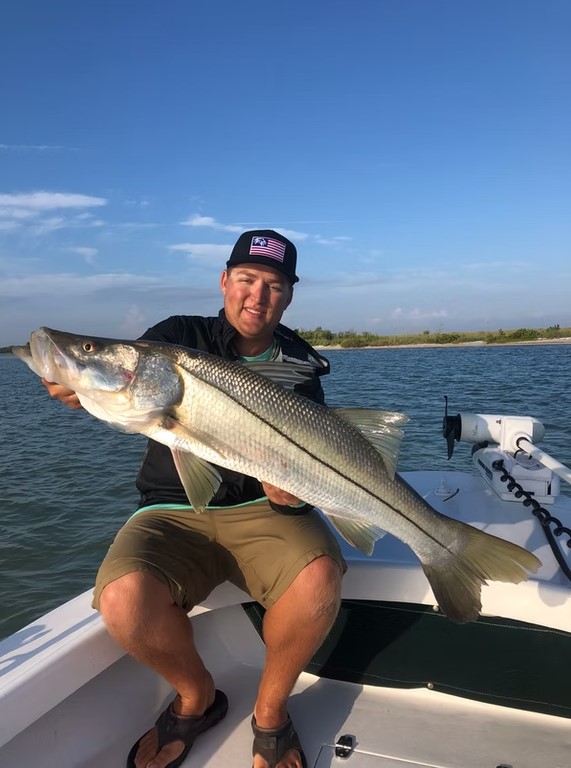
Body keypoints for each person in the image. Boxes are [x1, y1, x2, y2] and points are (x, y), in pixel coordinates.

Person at [43, 229, 346, 768]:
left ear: (290, 295)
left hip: (263, 511)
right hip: (172, 508)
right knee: (122, 601)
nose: (257, 296)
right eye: (247, 279)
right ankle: (196, 696)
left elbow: (306, 478)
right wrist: (82, 380)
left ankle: (271, 714)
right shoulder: (177, 337)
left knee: (320, 579)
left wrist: (293, 497)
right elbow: (129, 386)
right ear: (225, 281)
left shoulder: (301, 366)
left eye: (274, 285)